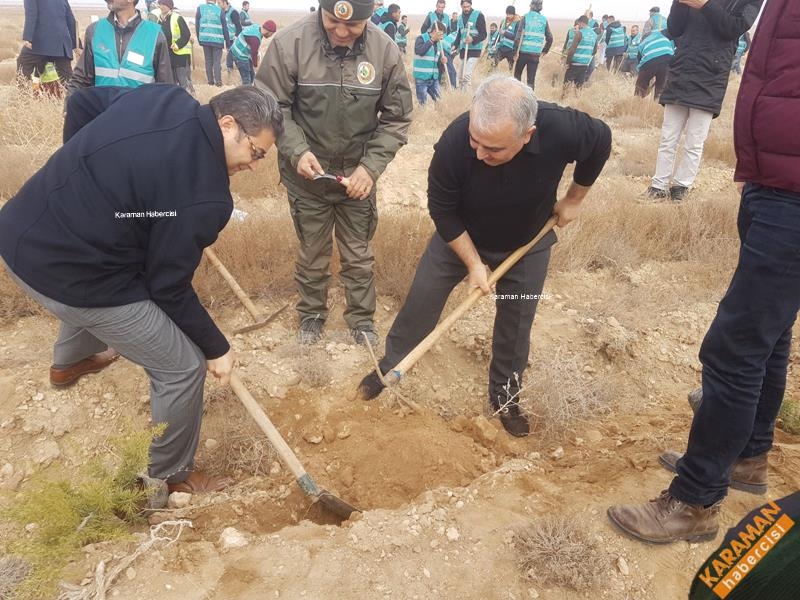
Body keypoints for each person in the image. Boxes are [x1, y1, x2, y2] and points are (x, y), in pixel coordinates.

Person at [0, 83, 284, 497]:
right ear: (227, 124)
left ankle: (69, 363)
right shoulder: (206, 198)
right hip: (71, 275)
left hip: (18, 234)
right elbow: (167, 287)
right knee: (182, 366)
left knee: (116, 261)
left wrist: (82, 180)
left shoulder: (163, 97)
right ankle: (167, 478)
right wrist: (216, 348)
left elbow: (82, 102)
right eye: (256, 152)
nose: (255, 165)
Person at [608, 0, 798, 545]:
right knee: (769, 335)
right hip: (773, 179)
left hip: (793, 192)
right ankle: (748, 456)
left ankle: (695, 502)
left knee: (734, 348)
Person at [355, 75, 611, 437]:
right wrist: (474, 264)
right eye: (475, 141)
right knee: (422, 299)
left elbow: (601, 141)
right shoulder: (455, 141)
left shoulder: (564, 128)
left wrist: (574, 198)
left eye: (492, 148)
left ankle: (506, 396)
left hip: (527, 240)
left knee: (517, 317)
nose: (479, 153)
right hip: (461, 233)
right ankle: (391, 366)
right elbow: (441, 209)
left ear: (528, 134)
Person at [255, 0, 413, 346]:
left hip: (356, 181)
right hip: (307, 178)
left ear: (369, 18)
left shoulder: (385, 51)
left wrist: (369, 169)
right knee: (312, 253)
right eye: (332, 22)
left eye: (353, 25)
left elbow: (397, 119)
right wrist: (297, 151)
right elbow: (272, 106)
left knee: (358, 255)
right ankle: (311, 318)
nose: (341, 32)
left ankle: (361, 322)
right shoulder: (289, 44)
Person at [645, 0, 762, 203]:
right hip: (682, 67)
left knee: (695, 140)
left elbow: (734, 28)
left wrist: (705, 5)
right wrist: (679, 3)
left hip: (712, 75)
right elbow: (674, 28)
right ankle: (659, 185)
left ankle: (681, 186)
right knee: (668, 136)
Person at [66, 0, 173, 97]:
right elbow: (80, 80)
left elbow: (166, 90)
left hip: (140, 116)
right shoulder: (95, 31)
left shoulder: (155, 35)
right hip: (103, 115)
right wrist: (69, 109)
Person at [17, 0, 78, 89]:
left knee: (23, 64)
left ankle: (24, 98)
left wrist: (27, 37)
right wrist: (77, 45)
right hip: (61, 45)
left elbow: (31, 14)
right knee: (67, 80)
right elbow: (70, 19)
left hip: (40, 43)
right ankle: (73, 100)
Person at [513, 0, 553, 91]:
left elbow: (518, 37)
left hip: (523, 53)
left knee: (517, 76)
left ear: (531, 6)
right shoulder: (544, 20)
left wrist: (515, 52)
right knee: (531, 80)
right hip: (535, 55)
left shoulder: (525, 17)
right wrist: (544, 50)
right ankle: (530, 101)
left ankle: (516, 95)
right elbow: (550, 38)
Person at [157, 0, 193, 93]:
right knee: (171, 81)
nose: (161, 6)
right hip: (167, 55)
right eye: (160, 4)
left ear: (169, 6)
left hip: (179, 55)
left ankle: (187, 100)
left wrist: (177, 44)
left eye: (164, 4)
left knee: (182, 81)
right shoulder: (159, 19)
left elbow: (186, 34)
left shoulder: (177, 18)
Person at [230, 20, 276, 85]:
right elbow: (254, 53)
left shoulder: (257, 27)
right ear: (269, 31)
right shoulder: (255, 39)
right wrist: (256, 65)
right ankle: (246, 92)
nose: (271, 36)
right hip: (240, 55)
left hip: (236, 50)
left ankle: (252, 85)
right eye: (272, 34)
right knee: (247, 80)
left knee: (252, 74)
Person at [453, 0, 487, 89]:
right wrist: (455, 45)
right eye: (464, 7)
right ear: (461, 6)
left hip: (475, 50)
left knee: (467, 75)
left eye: (468, 6)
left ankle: (466, 95)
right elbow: (460, 34)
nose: (466, 9)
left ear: (471, 5)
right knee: (460, 76)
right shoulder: (460, 18)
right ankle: (460, 95)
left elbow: (484, 34)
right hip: (464, 50)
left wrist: (473, 39)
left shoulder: (478, 15)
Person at [634, 26, 673, 100]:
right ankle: (657, 103)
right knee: (661, 88)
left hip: (650, 59)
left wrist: (642, 76)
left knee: (640, 86)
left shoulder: (643, 42)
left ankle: (637, 102)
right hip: (668, 58)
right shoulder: (662, 36)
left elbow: (640, 61)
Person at [196, 0, 228, 86]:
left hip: (205, 39)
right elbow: (225, 28)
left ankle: (210, 82)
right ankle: (218, 82)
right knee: (217, 62)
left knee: (208, 61)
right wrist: (227, 43)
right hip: (217, 40)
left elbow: (197, 25)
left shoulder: (200, 9)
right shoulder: (219, 10)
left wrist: (199, 39)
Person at [413, 20, 446, 105]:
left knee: (440, 101)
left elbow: (435, 61)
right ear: (435, 32)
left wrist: (442, 62)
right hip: (421, 79)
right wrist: (431, 40)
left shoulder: (439, 43)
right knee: (422, 104)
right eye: (441, 34)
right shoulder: (421, 38)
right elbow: (419, 51)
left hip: (434, 79)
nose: (442, 37)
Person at [563, 15, 597, 91]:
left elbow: (572, 50)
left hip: (574, 64)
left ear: (581, 23)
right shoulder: (594, 35)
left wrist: (567, 62)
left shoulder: (579, 33)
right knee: (578, 89)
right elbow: (594, 51)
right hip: (585, 65)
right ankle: (577, 102)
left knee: (566, 87)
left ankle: (563, 100)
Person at [218, 0, 242, 81]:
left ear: (225, 3)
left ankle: (238, 73)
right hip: (227, 39)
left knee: (234, 56)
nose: (218, 5)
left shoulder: (233, 12)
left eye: (219, 3)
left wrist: (236, 37)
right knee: (229, 55)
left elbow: (239, 27)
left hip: (233, 39)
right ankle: (229, 72)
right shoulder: (222, 12)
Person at [492, 6, 519, 71]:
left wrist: (505, 33)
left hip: (511, 49)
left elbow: (517, 37)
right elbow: (499, 34)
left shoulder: (518, 22)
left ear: (514, 14)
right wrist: (494, 44)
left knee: (511, 69)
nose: (508, 16)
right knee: (493, 63)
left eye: (510, 14)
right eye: (507, 14)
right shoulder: (503, 21)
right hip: (501, 48)